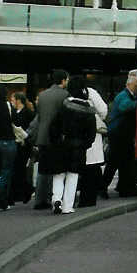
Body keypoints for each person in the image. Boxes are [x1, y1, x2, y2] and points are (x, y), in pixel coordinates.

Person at [40, 76, 96, 214]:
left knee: (59, 174)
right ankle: (67, 206)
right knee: (73, 176)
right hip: (78, 147)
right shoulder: (88, 109)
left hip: (61, 145)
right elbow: (91, 133)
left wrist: (56, 141)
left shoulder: (64, 106)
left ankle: (56, 199)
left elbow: (54, 127)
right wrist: (85, 145)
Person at [32, 71, 69, 210]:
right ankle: (52, 196)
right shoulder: (65, 95)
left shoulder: (42, 95)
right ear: (63, 80)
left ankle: (39, 199)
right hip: (57, 136)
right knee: (57, 169)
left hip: (42, 136)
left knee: (43, 169)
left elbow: (39, 116)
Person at [103, 74, 137, 197]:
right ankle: (107, 187)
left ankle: (123, 187)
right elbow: (125, 107)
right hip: (119, 134)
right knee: (118, 162)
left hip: (121, 133)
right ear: (129, 85)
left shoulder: (125, 95)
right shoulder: (124, 96)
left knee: (123, 162)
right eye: (136, 85)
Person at [78, 82, 108, 208]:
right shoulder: (90, 92)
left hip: (76, 137)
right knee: (92, 167)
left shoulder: (68, 94)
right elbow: (103, 110)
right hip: (92, 134)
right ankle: (90, 197)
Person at [9, 92, 35, 205]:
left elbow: (32, 128)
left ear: (18, 100)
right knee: (17, 169)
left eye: (13, 100)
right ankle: (19, 193)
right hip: (17, 143)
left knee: (22, 169)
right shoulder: (14, 112)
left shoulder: (28, 113)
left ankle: (25, 192)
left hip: (25, 144)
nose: (11, 102)